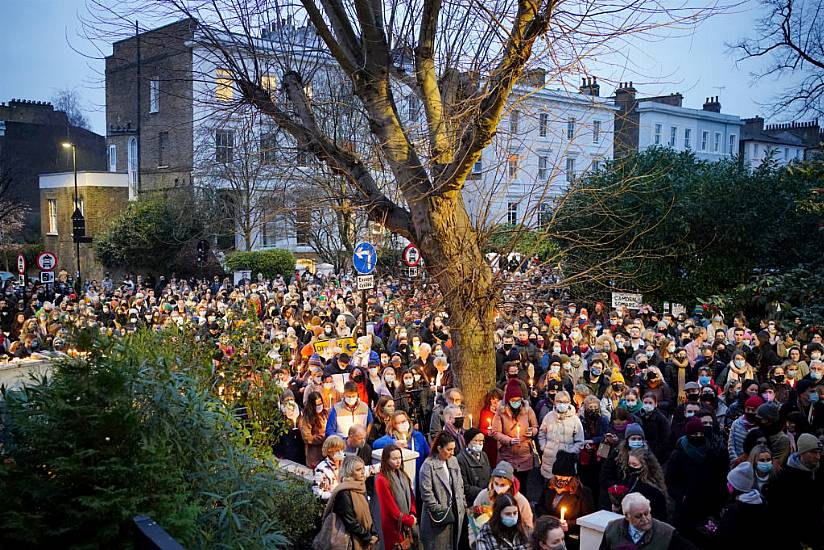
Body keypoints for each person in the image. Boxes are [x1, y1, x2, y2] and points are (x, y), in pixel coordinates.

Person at [664, 417, 728, 545]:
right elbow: (670, 482)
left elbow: (720, 477)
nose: (698, 437)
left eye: (700, 434)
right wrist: (681, 496)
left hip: (708, 505)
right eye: (694, 434)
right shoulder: (678, 455)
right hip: (686, 507)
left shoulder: (712, 451)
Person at [768, 433, 823, 549]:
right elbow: (780, 517)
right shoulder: (784, 480)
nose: (818, 457)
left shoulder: (817, 473)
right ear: (802, 453)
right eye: (813, 452)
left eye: (819, 452)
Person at [418, 432, 466, 550]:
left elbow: (460, 485)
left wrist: (463, 504)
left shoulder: (453, 461)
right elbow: (426, 493)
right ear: (439, 448)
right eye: (449, 449)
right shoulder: (428, 465)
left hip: (455, 512)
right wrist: (439, 509)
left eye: (453, 449)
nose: (452, 452)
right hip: (438, 518)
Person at [536, 449, 594, 547]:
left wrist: (568, 524)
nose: (560, 480)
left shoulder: (583, 492)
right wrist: (549, 520)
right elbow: (539, 506)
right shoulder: (549, 486)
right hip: (549, 534)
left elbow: (588, 519)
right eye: (558, 476)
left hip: (570, 539)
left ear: (572, 477)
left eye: (564, 477)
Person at [599, 492, 696, 550]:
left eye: (647, 513)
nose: (645, 519)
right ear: (627, 516)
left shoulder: (666, 533)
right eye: (638, 516)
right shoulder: (612, 529)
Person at [715, 462, 775, 548]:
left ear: (735, 487)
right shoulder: (761, 502)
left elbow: (724, 537)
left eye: (729, 483)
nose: (727, 484)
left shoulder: (735, 509)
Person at [493, 379, 539, 488]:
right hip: (507, 454)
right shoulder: (501, 412)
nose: (516, 403)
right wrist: (509, 440)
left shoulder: (528, 410)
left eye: (518, 400)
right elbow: (495, 432)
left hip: (524, 455)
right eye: (513, 400)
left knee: (523, 486)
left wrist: (532, 431)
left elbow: (536, 427)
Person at [329, 455, 379, 550]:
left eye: (363, 468)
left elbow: (368, 513)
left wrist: (374, 533)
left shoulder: (361, 487)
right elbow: (350, 521)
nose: (363, 472)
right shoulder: (343, 492)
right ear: (349, 472)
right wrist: (368, 537)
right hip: (350, 541)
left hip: (365, 537)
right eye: (358, 470)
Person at [375, 444, 418, 550]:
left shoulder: (403, 474)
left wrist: (412, 513)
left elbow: (411, 497)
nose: (398, 461)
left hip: (408, 521)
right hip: (394, 526)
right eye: (394, 459)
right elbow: (390, 508)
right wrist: (408, 520)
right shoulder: (381, 479)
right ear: (386, 460)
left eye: (399, 458)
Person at [537, 390, 584, 482]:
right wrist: (544, 447)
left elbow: (580, 441)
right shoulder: (548, 417)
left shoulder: (575, 420)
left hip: (566, 463)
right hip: (549, 460)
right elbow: (542, 433)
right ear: (555, 402)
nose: (562, 404)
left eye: (565, 402)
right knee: (549, 492)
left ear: (569, 403)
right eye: (559, 402)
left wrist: (570, 453)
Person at [373, 410, 430, 481]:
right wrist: (394, 443)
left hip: (418, 475)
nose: (403, 424)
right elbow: (376, 444)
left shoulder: (418, 436)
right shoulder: (391, 437)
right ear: (394, 425)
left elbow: (428, 454)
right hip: (400, 477)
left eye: (404, 421)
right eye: (399, 423)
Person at [457, 428, 491, 506]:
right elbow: (464, 486)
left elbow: (489, 474)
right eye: (476, 441)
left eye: (482, 441)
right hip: (472, 501)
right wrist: (483, 492)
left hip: (487, 498)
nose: (480, 443)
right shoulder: (461, 458)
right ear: (468, 441)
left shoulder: (484, 455)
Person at [300, 390, 328, 468]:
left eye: (320, 403)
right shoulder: (308, 417)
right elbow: (306, 437)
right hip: (314, 454)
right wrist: (322, 438)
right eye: (317, 404)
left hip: (326, 451)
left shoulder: (325, 413)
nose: (319, 406)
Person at [313, 435, 346, 500]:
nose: (340, 452)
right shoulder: (321, 469)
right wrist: (336, 494)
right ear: (329, 450)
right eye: (337, 450)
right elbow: (318, 495)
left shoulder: (346, 464)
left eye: (341, 449)